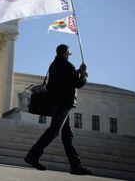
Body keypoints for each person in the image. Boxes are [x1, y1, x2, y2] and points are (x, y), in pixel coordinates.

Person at [24, 44, 92, 175]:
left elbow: (65, 79)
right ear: (65, 53)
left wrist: (78, 72)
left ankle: (76, 166)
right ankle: (32, 156)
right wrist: (83, 74)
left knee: (67, 135)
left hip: (56, 102)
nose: (68, 56)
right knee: (54, 131)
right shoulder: (67, 65)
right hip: (64, 103)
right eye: (68, 53)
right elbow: (77, 83)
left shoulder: (54, 65)